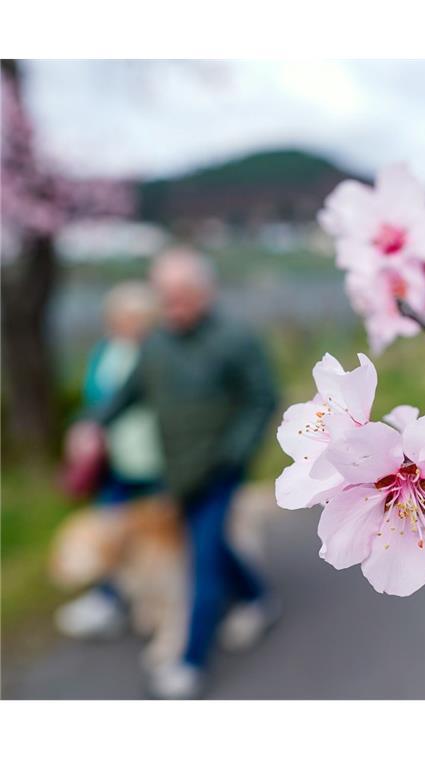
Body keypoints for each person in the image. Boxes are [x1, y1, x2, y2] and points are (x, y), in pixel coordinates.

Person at [75, 248, 280, 699]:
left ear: (205, 292)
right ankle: (256, 598)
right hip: (176, 470)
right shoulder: (156, 344)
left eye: (183, 294)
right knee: (214, 546)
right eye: (165, 295)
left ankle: (189, 662)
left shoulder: (236, 338)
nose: (173, 304)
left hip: (220, 470)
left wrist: (235, 453)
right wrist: (91, 425)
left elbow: (262, 398)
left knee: (202, 562)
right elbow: (126, 396)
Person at [56, 282, 164, 640]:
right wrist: (85, 430)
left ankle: (157, 599)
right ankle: (110, 597)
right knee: (109, 533)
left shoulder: (160, 351)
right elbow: (96, 400)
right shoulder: (105, 351)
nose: (127, 324)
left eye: (134, 317)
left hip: (155, 460)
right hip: (116, 461)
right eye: (120, 317)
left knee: (158, 537)